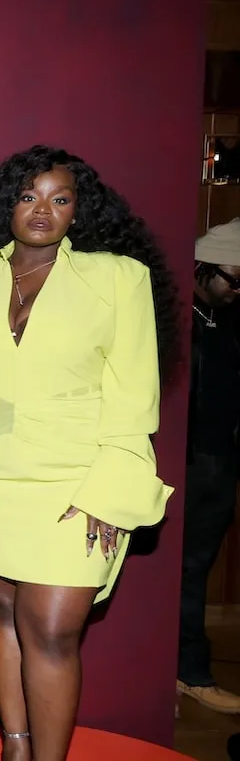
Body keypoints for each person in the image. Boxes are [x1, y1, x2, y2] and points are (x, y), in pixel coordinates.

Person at [0, 146, 177, 761]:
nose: (43, 209)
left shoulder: (119, 277)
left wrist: (110, 492)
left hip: (77, 478)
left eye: (60, 198)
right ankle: (14, 745)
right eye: (29, 195)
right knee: (6, 613)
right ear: (4, 204)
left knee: (55, 631)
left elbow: (134, 395)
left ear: (78, 210)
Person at [178, 217, 240, 713]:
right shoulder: (183, 318)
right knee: (188, 572)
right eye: (231, 278)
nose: (235, 289)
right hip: (192, 466)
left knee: (195, 569)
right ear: (199, 269)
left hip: (218, 461)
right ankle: (188, 672)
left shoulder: (223, 317)